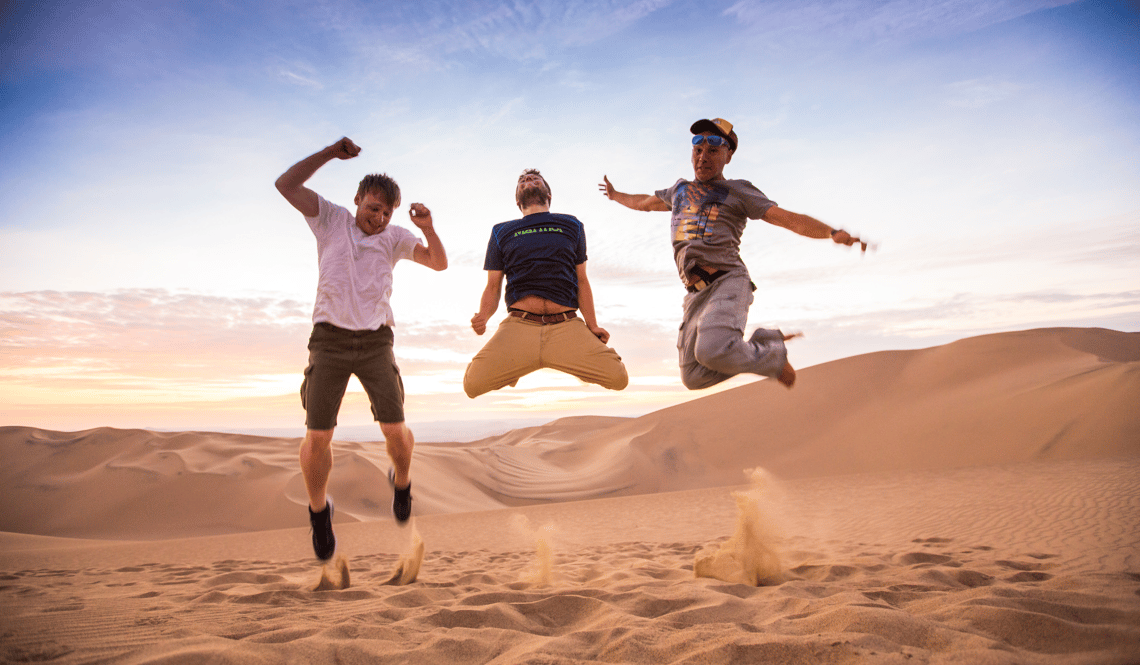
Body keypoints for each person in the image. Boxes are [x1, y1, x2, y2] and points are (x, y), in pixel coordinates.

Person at [599, 117, 868, 391]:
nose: (703, 157)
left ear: (728, 156)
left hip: (727, 281)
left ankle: (772, 358)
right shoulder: (679, 190)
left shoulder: (738, 191)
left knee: (711, 350)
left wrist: (831, 232)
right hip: (695, 294)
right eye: (698, 149)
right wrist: (615, 195)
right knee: (693, 376)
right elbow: (644, 203)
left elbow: (785, 218)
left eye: (713, 150)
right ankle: (763, 343)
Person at [275, 137, 447, 560]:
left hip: (375, 341)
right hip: (329, 340)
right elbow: (285, 184)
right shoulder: (329, 219)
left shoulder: (395, 237)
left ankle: (401, 482)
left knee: (395, 429)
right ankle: (319, 512)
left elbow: (438, 263)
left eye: (387, 212)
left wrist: (426, 227)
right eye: (374, 208)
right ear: (357, 201)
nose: (380, 218)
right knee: (318, 435)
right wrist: (331, 153)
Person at [464, 169, 628, 398]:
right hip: (520, 325)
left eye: (534, 179)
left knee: (618, 377)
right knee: (472, 385)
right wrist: (483, 315)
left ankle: (563, 359)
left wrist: (593, 325)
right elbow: (493, 285)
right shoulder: (501, 231)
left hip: (566, 326)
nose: (528, 181)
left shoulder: (572, 225)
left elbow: (581, 279)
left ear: (548, 194)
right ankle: (520, 362)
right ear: (517, 200)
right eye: (522, 181)